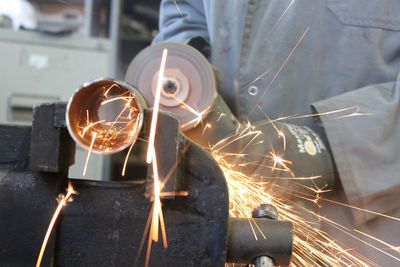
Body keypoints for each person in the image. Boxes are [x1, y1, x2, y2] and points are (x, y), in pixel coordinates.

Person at [153, 0, 400, 265]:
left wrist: (318, 145)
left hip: (363, 223)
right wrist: (191, 75)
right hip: (220, 216)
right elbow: (185, 13)